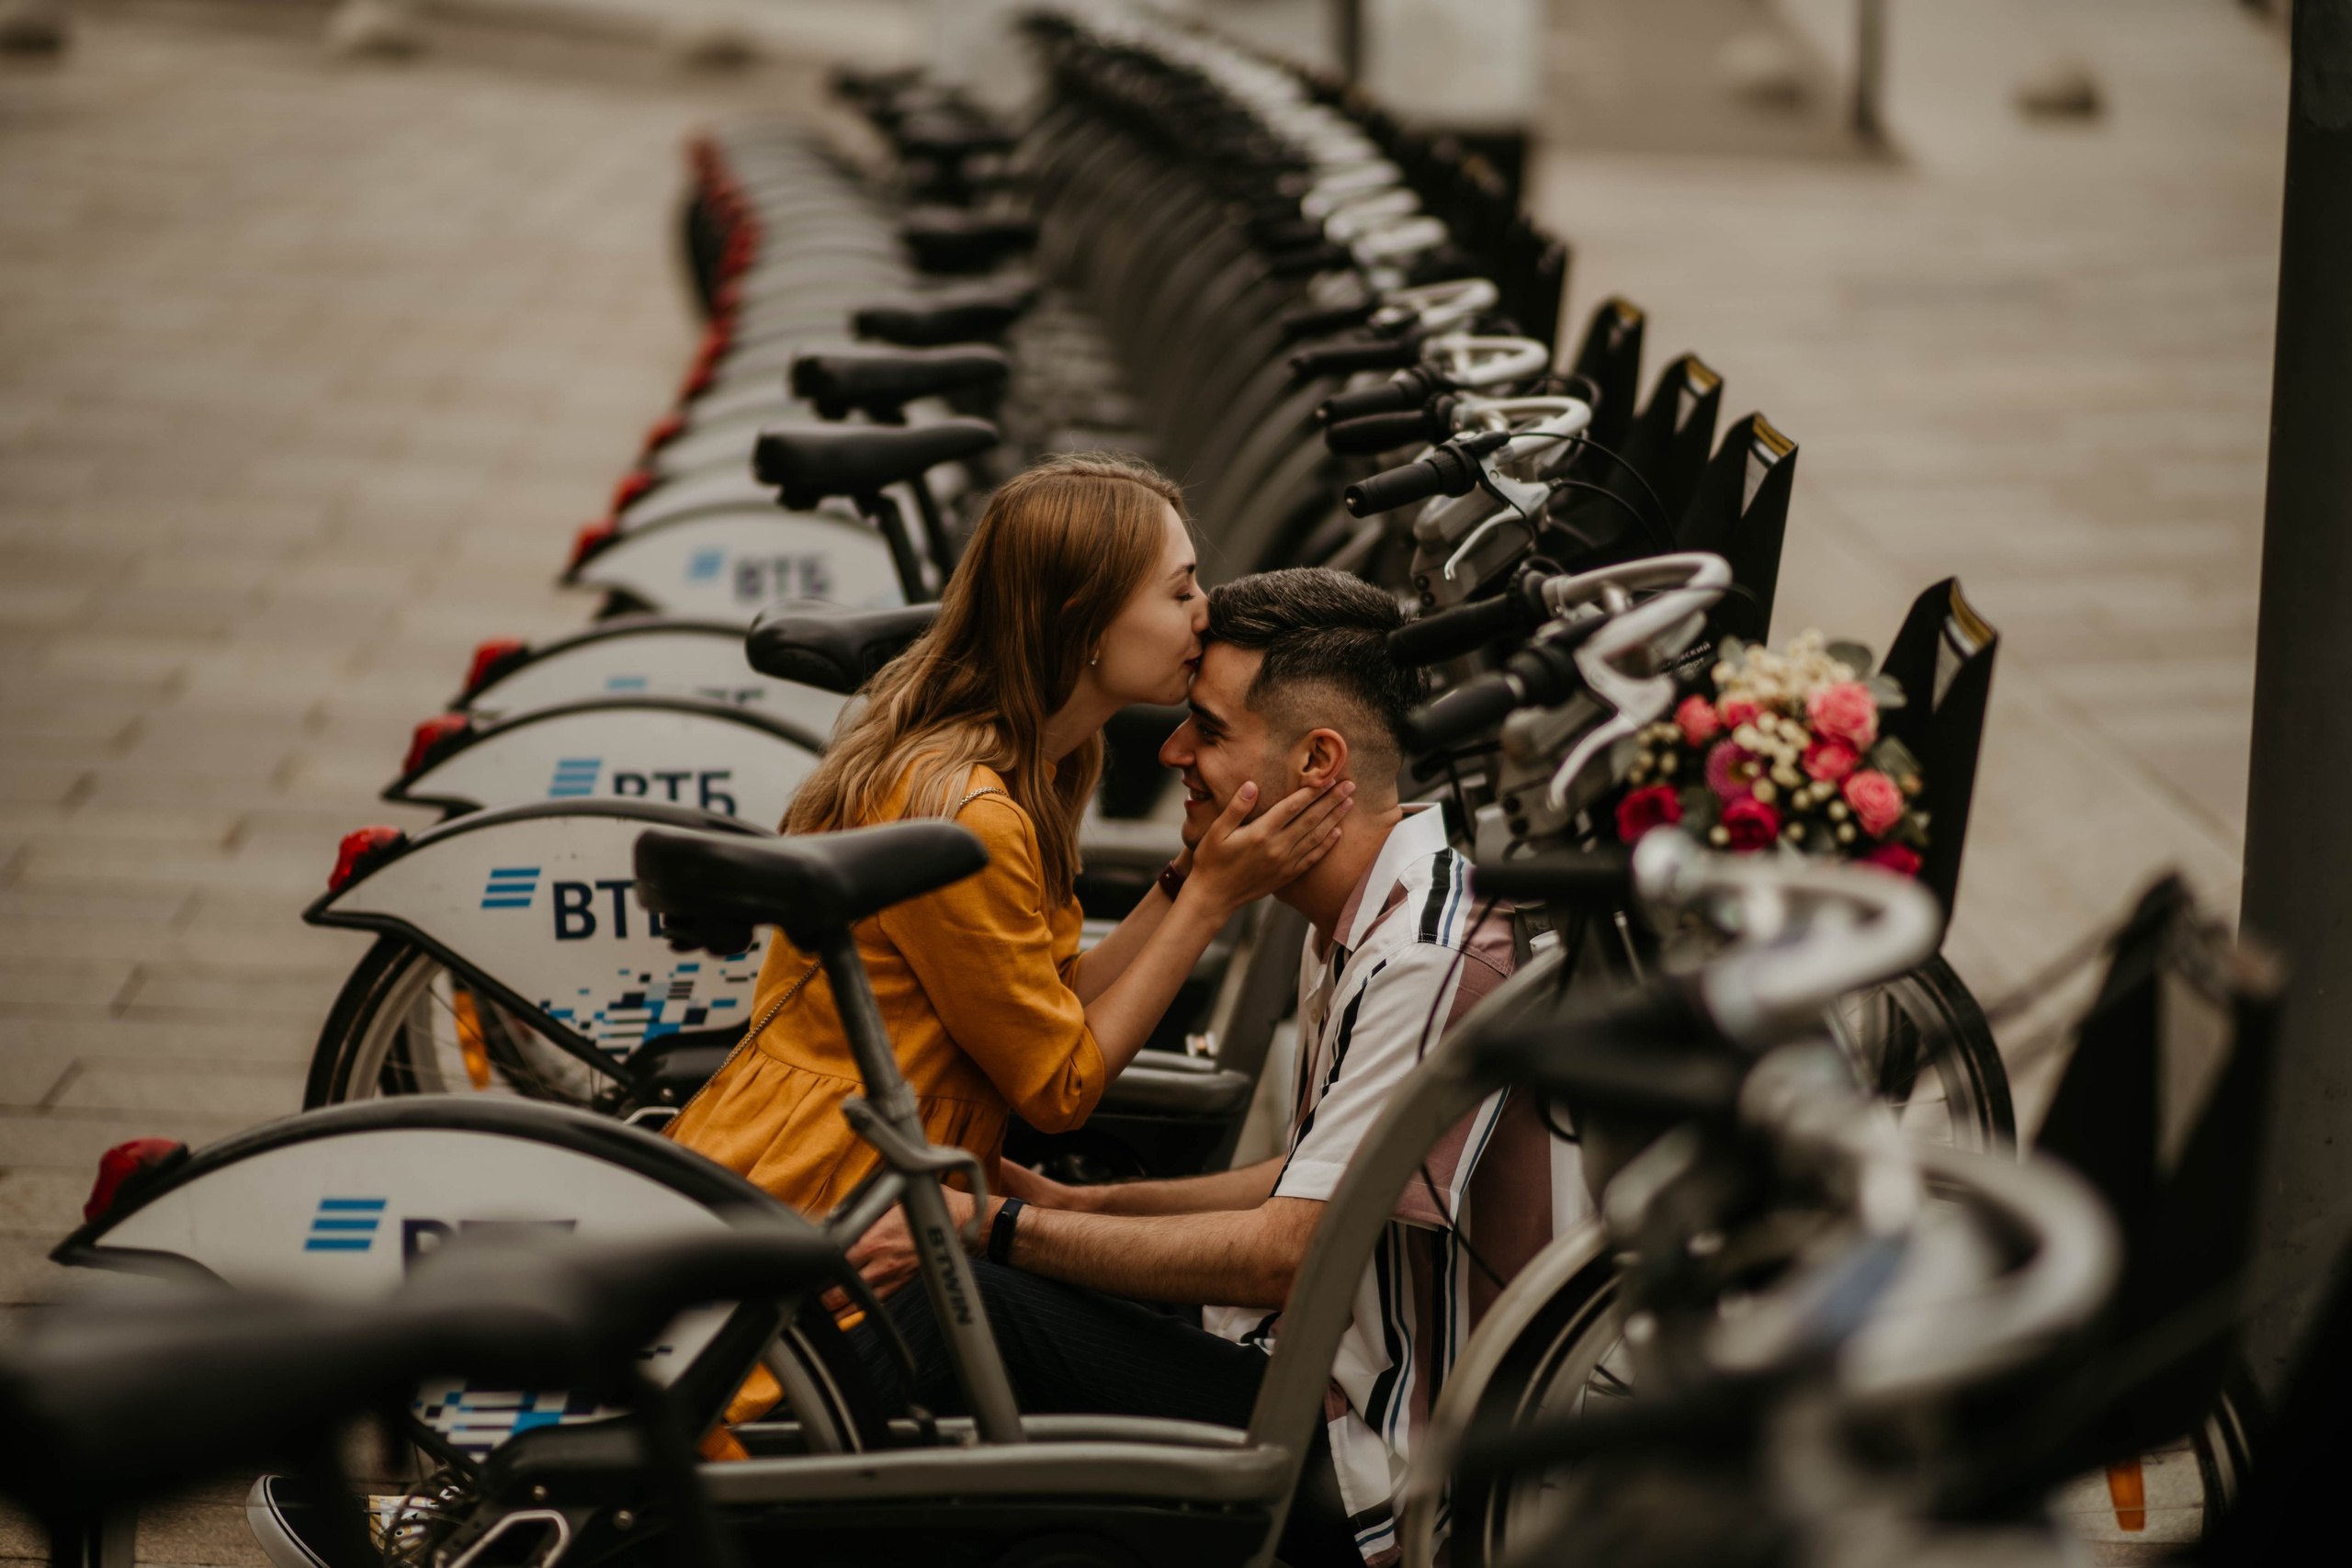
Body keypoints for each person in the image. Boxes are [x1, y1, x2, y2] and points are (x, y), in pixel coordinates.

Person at [841, 568, 1591, 1568]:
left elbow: (1287, 1251)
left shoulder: (1424, 955)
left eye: (1207, 727)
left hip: (1379, 1464)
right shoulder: (1372, 901)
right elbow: (1315, 1187)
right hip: (1309, 1373)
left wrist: (1001, 1231)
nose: (1172, 751)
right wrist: (1071, 1209)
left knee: (948, 1298)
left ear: (1318, 760)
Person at [666, 456, 1351, 1428]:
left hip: (848, 1156)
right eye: (1179, 588)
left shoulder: (1021, 762)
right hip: (835, 1187)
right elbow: (1057, 1086)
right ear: (1085, 619)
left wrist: (1190, 883)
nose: (1206, 609)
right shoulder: (971, 810)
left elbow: (1048, 996)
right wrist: (1206, 904)